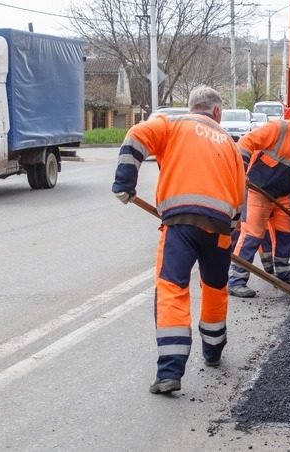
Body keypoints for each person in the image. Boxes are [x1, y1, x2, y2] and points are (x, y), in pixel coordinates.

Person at [112, 86, 246, 394]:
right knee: (215, 288)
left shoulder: (172, 125)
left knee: (173, 288)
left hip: (180, 223)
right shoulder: (229, 143)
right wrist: (232, 231)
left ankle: (170, 372)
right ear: (216, 113)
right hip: (220, 228)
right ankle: (213, 351)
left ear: (191, 107)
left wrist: (124, 182)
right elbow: (240, 194)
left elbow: (136, 136)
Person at [228, 106, 290, 297]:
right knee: (252, 235)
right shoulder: (278, 129)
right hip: (259, 191)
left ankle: (283, 273)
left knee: (287, 232)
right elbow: (244, 144)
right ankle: (236, 280)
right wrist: (242, 171)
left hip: (282, 195)